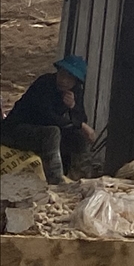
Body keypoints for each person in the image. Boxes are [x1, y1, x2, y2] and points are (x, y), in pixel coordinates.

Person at [0, 56, 94, 184]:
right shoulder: (44, 83)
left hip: (42, 132)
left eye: (69, 78)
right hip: (15, 130)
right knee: (53, 132)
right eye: (61, 75)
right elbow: (46, 115)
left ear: (76, 81)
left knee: (78, 137)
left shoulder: (75, 92)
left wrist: (73, 108)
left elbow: (81, 118)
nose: (63, 80)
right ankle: (55, 180)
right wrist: (80, 125)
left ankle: (81, 180)